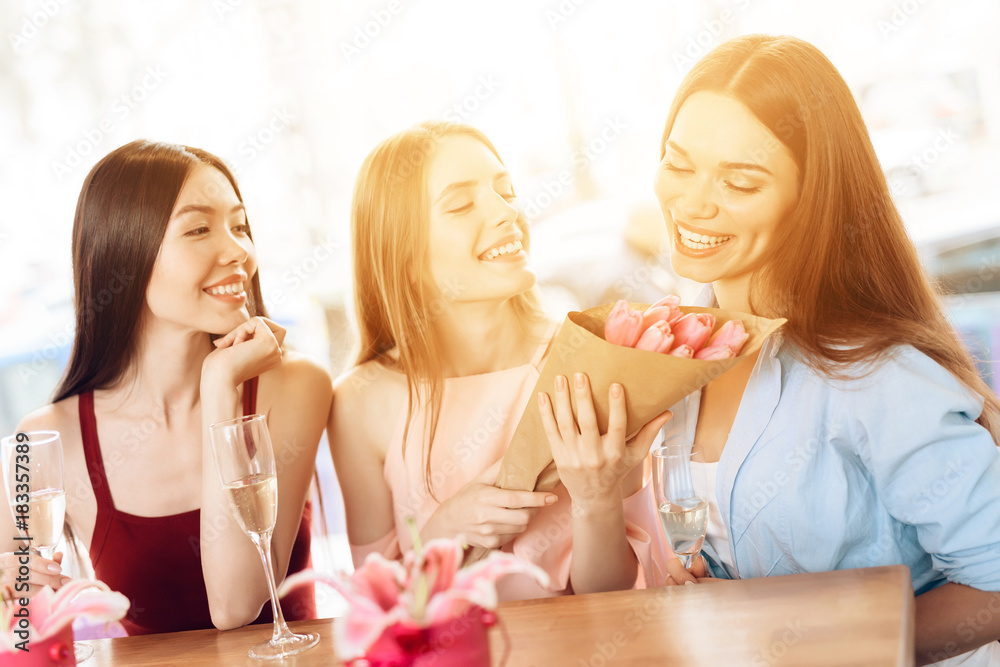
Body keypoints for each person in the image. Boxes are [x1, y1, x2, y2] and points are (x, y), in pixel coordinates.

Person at [641, 35, 1000, 665]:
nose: (693, 202)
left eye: (740, 182)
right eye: (678, 162)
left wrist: (824, 646)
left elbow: (996, 587)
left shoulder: (876, 372)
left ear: (809, 201)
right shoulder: (676, 355)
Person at [0, 140, 331, 634]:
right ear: (123, 255)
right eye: (199, 229)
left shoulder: (296, 385)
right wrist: (13, 599)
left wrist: (221, 384)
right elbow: (22, 633)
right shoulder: (42, 443)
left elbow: (235, 607)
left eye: (240, 226)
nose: (239, 250)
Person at [328, 121, 670, 599]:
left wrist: (595, 501)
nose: (507, 212)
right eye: (462, 204)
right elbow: (380, 605)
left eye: (506, 191)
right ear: (401, 251)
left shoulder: (593, 363)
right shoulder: (360, 401)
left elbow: (615, 594)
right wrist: (444, 531)